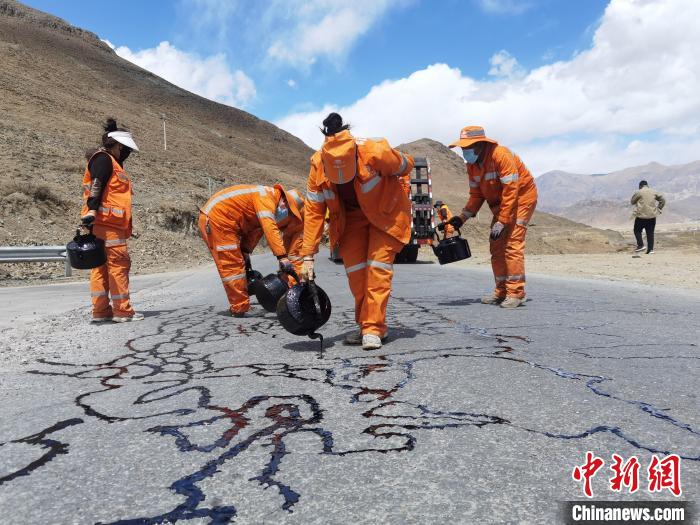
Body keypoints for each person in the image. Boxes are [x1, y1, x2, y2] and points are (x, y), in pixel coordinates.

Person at [300, 113, 414, 350]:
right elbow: (313, 212)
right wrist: (308, 256)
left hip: (386, 215)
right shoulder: (317, 164)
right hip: (350, 220)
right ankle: (366, 325)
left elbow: (406, 165)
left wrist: (397, 163)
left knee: (377, 270)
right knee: (357, 274)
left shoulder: (373, 150)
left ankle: (373, 328)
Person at [442, 125, 538, 308]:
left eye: (467, 147)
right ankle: (501, 291)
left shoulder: (501, 155)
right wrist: (461, 218)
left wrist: (502, 221)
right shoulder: (472, 166)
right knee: (496, 246)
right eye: (462, 148)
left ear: (480, 144)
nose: (464, 151)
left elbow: (511, 190)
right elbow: (476, 196)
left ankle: (516, 293)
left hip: (521, 199)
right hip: (503, 205)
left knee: (511, 243)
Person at [198, 184, 304, 317]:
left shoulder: (268, 201)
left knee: (238, 262)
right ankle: (240, 308)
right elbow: (269, 228)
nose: (286, 216)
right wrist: (282, 257)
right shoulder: (267, 197)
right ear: (284, 201)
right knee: (232, 266)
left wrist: (245, 250)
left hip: (223, 220)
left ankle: (241, 303)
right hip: (218, 220)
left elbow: (256, 230)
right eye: (289, 211)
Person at [81, 118, 144, 323]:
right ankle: (122, 312)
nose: (127, 153)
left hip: (103, 223)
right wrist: (92, 209)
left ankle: (100, 312)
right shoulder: (105, 159)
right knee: (118, 265)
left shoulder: (107, 160)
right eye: (125, 149)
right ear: (118, 146)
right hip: (108, 225)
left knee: (100, 267)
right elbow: (97, 184)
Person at [631, 180, 665, 254]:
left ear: (640, 186)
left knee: (637, 230)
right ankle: (650, 250)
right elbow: (663, 200)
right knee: (650, 233)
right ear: (647, 185)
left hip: (641, 216)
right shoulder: (654, 191)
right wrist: (659, 208)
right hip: (652, 216)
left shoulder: (639, 192)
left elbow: (632, 202)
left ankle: (641, 245)